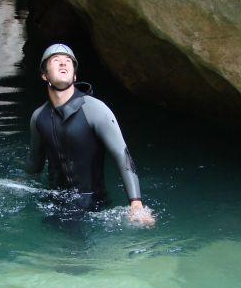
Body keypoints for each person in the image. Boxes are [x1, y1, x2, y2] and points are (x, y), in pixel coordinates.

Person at [26, 44, 155, 226]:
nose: (63, 64)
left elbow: (122, 155)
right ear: (44, 75)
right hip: (54, 202)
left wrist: (136, 204)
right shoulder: (38, 117)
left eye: (68, 62)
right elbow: (34, 165)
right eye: (56, 61)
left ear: (75, 75)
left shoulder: (95, 109)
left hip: (92, 204)